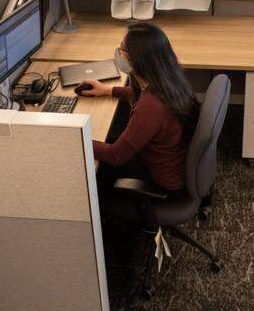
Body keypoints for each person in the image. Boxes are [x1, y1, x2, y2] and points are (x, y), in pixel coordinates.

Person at [79, 22, 197, 197]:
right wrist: (107, 90)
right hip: (172, 164)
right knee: (106, 141)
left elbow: (115, 155)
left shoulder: (150, 107)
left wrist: (76, 140)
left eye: (121, 49)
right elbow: (140, 95)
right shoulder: (168, 78)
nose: (118, 53)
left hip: (161, 183)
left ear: (137, 59)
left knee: (93, 169)